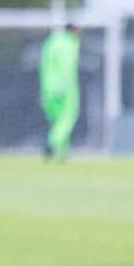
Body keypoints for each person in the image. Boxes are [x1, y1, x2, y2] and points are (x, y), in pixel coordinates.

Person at [39, 23, 81, 162]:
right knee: (66, 119)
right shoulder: (69, 45)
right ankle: (53, 144)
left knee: (55, 120)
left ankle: (63, 152)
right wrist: (63, 86)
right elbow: (66, 68)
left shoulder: (51, 42)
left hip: (48, 88)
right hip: (65, 88)